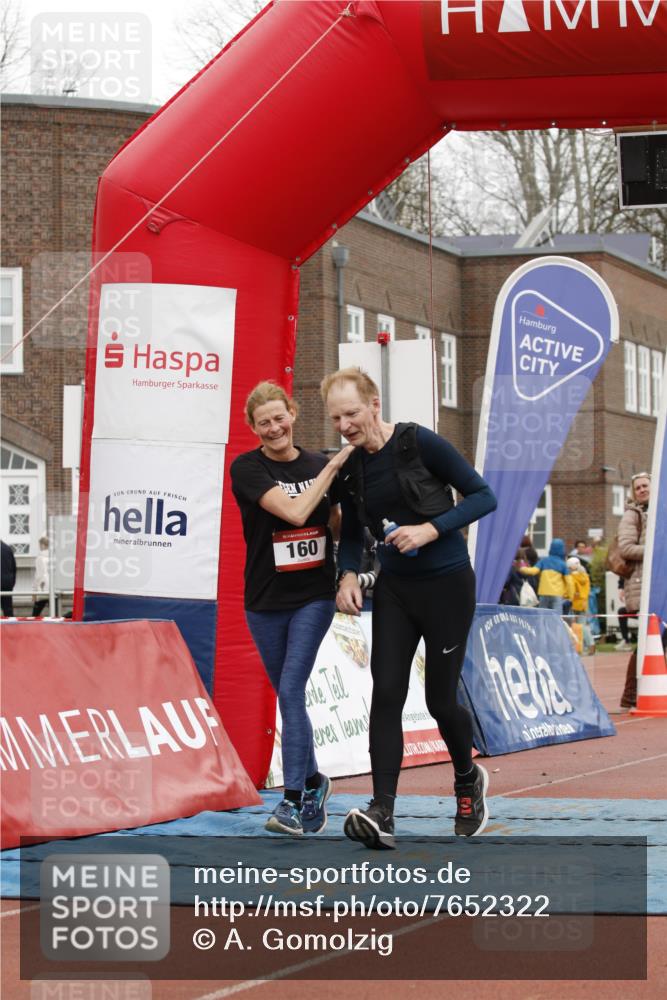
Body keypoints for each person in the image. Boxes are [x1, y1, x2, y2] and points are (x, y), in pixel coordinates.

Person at [321, 367, 497, 847]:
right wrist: (349, 574)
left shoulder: (419, 443)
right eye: (336, 417)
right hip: (397, 591)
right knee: (387, 693)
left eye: (352, 413)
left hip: (447, 586)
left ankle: (467, 779)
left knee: (441, 700)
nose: (345, 425)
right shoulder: (352, 468)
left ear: (375, 403)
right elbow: (354, 533)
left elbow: (484, 496)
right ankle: (383, 811)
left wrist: (431, 528)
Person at [229, 381, 354, 836]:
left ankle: (292, 800)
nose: (274, 428)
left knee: (291, 690)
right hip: (264, 600)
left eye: (279, 418)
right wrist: (334, 468)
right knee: (289, 693)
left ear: (293, 414)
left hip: (313, 597)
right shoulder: (246, 468)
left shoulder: (318, 463)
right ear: (253, 428)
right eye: (264, 423)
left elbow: (336, 526)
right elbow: (297, 513)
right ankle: (317, 782)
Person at [615, 472, 650, 710]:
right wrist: (655, 549)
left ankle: (634, 695)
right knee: (648, 641)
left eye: (645, 485)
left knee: (652, 643)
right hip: (641, 586)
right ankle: (629, 697)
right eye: (638, 487)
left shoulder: (659, 510)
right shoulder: (632, 515)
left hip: (657, 583)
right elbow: (626, 548)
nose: (642, 490)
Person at [520, 538, 573, 614]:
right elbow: (569, 582)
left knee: (542, 616)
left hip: (544, 592)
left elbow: (533, 571)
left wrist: (521, 568)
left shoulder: (544, 561)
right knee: (556, 617)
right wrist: (570, 596)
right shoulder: (563, 564)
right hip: (557, 594)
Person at [567, 556, 593, 654]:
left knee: (577, 626)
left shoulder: (572, 577)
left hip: (574, 603)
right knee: (583, 625)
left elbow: (571, 590)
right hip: (583, 602)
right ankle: (589, 645)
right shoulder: (585, 575)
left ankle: (586, 645)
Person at [31, 536, 50, 617]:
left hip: (42, 588)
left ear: (42, 545)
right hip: (53, 589)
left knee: (35, 614)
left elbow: (38, 575)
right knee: (56, 615)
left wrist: (34, 591)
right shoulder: (54, 557)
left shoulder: (40, 558)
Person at [1, 539, 17, 617]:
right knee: (7, 608)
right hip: (7, 582)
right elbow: (14, 568)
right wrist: (12, 582)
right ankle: (10, 627)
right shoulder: (7, 548)